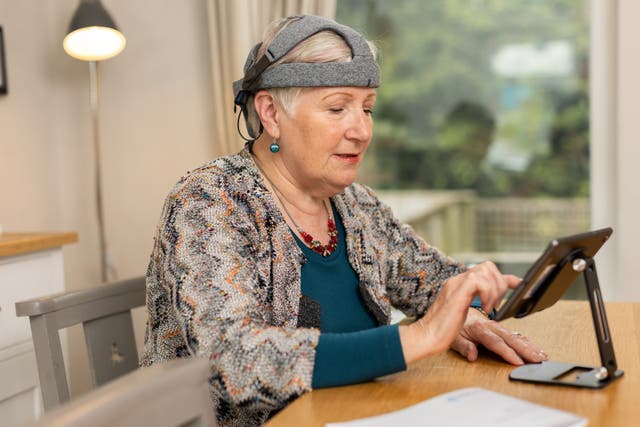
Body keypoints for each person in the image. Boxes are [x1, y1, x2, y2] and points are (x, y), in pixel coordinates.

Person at [141, 15, 547, 427]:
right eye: (337, 108)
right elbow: (233, 360)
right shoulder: (209, 202)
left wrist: (476, 297)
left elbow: (432, 283)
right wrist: (420, 338)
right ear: (270, 112)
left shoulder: (353, 205)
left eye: (367, 108)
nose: (362, 130)